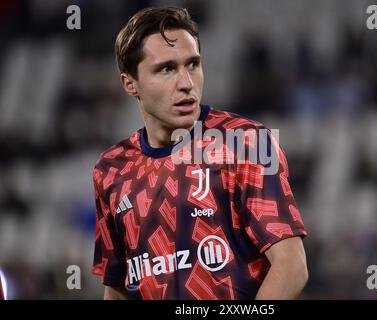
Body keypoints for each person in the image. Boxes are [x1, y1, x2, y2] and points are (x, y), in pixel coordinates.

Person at [92, 6, 308, 300]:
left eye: (192, 64)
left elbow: (291, 266)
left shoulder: (244, 143)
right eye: (166, 69)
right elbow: (117, 287)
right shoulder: (112, 169)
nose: (186, 83)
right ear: (130, 84)